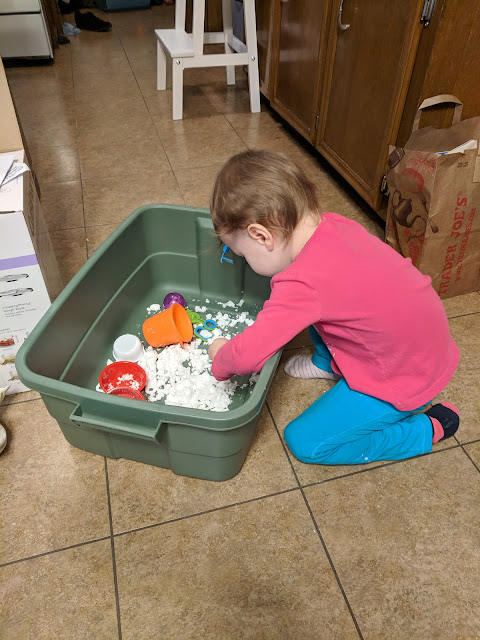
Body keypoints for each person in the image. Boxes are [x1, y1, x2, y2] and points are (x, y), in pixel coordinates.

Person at [208, 150, 460, 466]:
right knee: (326, 311)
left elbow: (246, 356)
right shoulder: (335, 225)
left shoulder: (303, 283)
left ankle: (425, 429)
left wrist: (220, 356)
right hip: (425, 346)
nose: (244, 260)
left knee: (306, 442)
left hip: (405, 375)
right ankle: (327, 363)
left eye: (242, 254)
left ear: (261, 236)